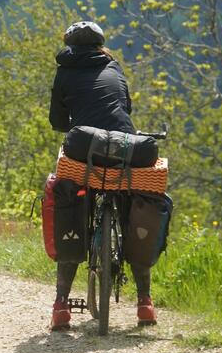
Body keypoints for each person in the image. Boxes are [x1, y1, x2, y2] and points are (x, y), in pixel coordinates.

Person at [48, 20, 156, 330]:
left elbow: (57, 119)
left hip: (86, 148)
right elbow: (127, 108)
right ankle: (145, 303)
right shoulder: (115, 67)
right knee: (134, 207)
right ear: (100, 44)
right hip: (125, 147)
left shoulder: (64, 69)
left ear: (71, 45)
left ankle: (60, 307)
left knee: (71, 201)